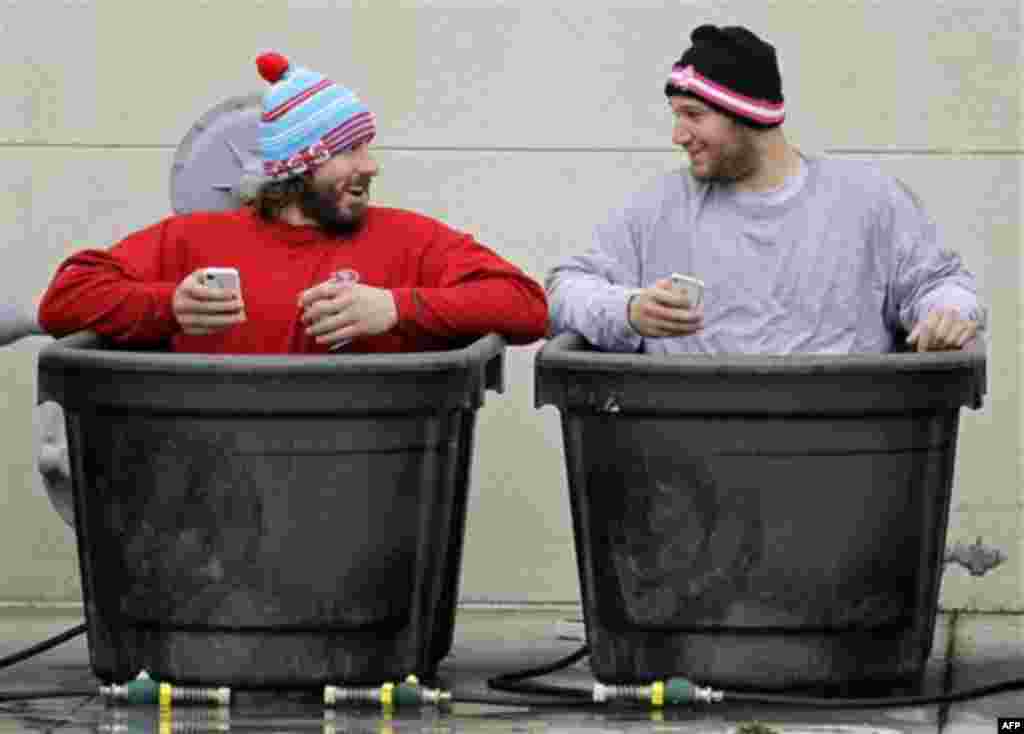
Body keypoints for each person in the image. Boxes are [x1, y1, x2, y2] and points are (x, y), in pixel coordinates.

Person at [38, 52, 548, 353]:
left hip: (365, 491)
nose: (371, 165)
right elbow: (65, 298)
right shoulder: (195, 239)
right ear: (298, 165)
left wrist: (397, 307)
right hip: (215, 493)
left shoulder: (409, 240)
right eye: (350, 149)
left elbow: (525, 307)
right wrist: (166, 305)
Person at [546, 25, 984, 354]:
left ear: (748, 115)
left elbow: (943, 284)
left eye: (693, 115)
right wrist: (628, 311)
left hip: (844, 458)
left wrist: (948, 314)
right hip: (683, 462)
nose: (678, 135)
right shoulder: (657, 209)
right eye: (676, 116)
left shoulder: (867, 201)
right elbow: (562, 293)